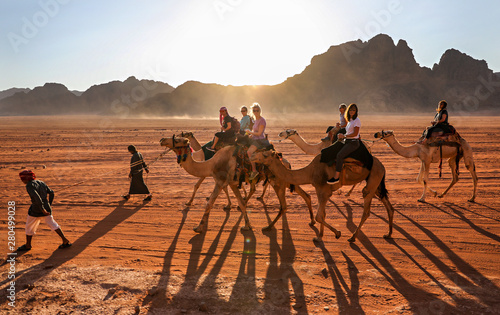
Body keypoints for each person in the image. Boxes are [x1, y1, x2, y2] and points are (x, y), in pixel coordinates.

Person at [16, 170, 71, 251]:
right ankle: (65, 240)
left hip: (36, 209)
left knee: (29, 226)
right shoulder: (41, 182)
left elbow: (36, 198)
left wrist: (42, 209)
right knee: (53, 224)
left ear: (26, 178)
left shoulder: (29, 185)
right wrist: (48, 205)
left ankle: (28, 245)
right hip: (46, 206)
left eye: (22, 178)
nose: (22, 180)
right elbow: (51, 193)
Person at [327, 103, 361, 184]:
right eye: (351, 110)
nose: (352, 111)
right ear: (348, 111)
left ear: (356, 111)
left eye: (354, 110)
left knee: (340, 155)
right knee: (332, 149)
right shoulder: (350, 120)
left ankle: (336, 177)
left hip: (353, 143)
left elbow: (355, 134)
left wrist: (344, 136)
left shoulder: (357, 120)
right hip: (347, 141)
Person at [245, 103, 270, 180]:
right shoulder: (256, 120)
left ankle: (254, 170)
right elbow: (255, 132)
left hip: (260, 140)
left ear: (260, 111)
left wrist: (250, 133)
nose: (255, 112)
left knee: (249, 152)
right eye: (254, 110)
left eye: (257, 110)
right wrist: (251, 135)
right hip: (254, 139)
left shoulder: (262, 120)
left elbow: (259, 133)